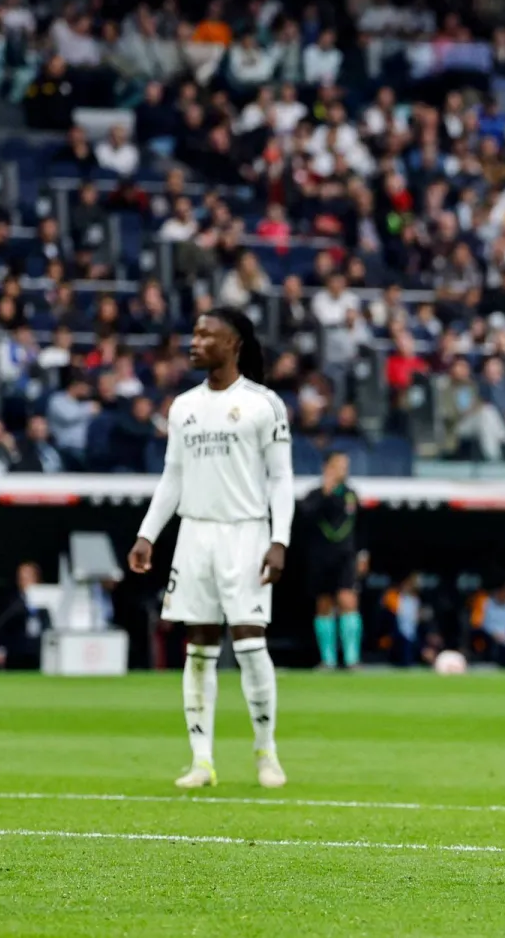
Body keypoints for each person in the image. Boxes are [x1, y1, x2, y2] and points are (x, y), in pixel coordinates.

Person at [128, 307, 294, 790]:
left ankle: (266, 752)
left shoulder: (264, 404)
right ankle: (202, 761)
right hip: (195, 535)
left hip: (246, 532)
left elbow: (282, 479)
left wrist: (279, 540)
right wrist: (147, 534)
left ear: (234, 343)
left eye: (206, 334)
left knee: (249, 642)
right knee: (198, 648)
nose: (195, 341)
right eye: (195, 332)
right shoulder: (183, 407)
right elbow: (172, 477)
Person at [302, 451, 367, 670]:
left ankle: (352, 659)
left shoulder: (351, 495)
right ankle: (327, 660)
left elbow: (361, 527)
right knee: (324, 605)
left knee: (348, 600)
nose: (343, 470)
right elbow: (306, 517)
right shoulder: (314, 494)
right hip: (320, 558)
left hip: (345, 557)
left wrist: (363, 554)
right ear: (327, 467)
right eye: (339, 465)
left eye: (346, 465)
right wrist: (325, 493)